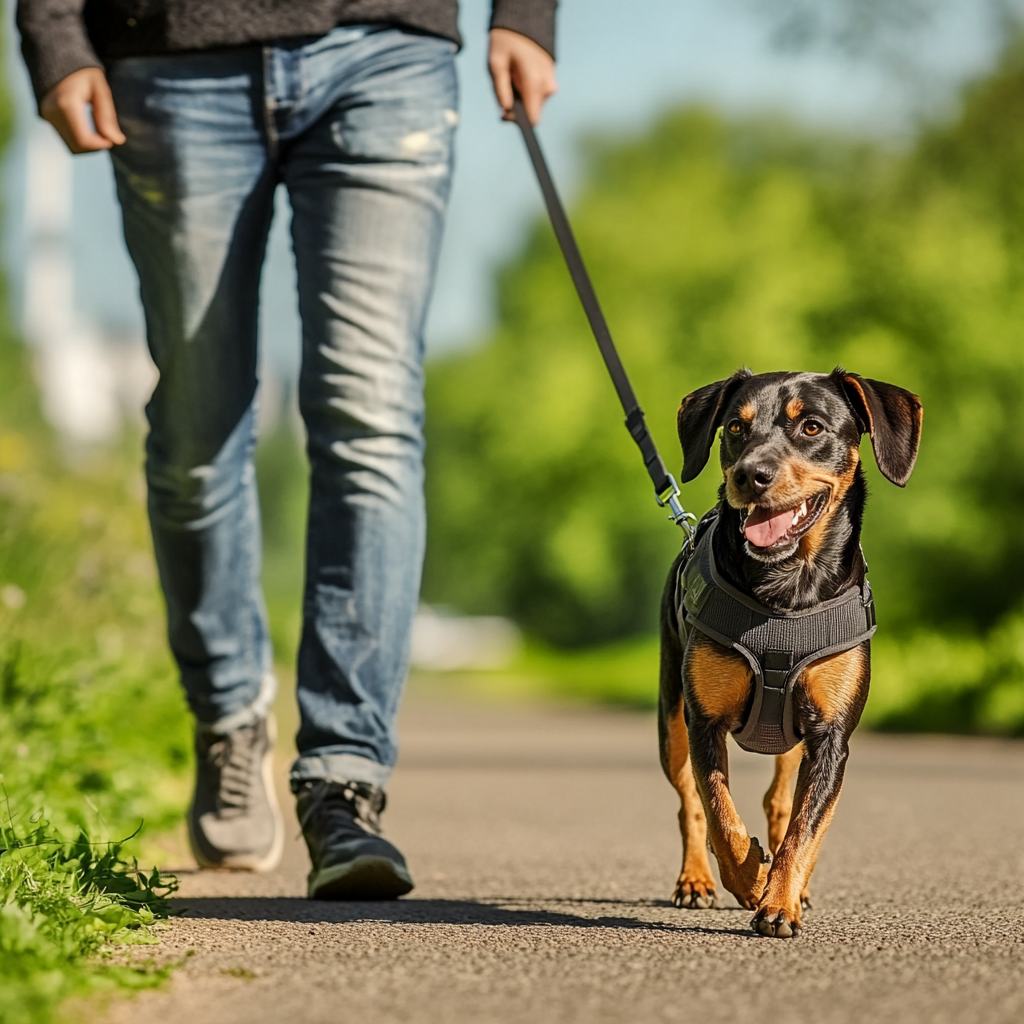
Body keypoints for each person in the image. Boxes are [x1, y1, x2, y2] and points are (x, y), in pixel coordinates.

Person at [16, 1, 558, 900]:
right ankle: (230, 712)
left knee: (373, 417)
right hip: (172, 52)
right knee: (199, 425)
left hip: (388, 50)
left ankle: (344, 782)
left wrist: (528, 14)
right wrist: (56, 34)